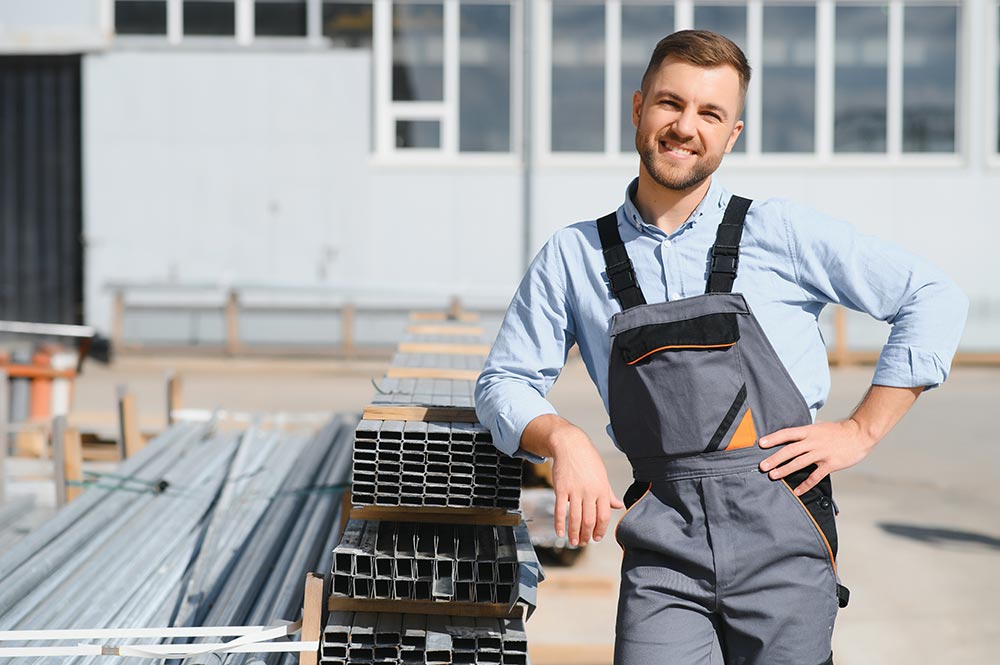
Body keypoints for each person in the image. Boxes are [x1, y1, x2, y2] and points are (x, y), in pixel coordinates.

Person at [474, 29, 967, 665]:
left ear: (732, 134)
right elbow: (503, 382)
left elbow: (932, 295)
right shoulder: (575, 256)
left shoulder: (779, 232)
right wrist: (562, 438)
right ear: (637, 108)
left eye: (710, 113)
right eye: (669, 103)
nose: (685, 127)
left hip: (784, 538)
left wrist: (862, 430)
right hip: (663, 548)